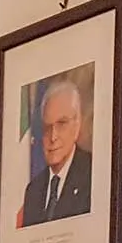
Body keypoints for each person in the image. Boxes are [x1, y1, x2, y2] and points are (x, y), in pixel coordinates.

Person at [19, 78, 93, 227]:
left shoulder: (93, 174)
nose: (53, 137)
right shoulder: (33, 190)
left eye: (62, 124)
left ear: (77, 125)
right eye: (47, 127)